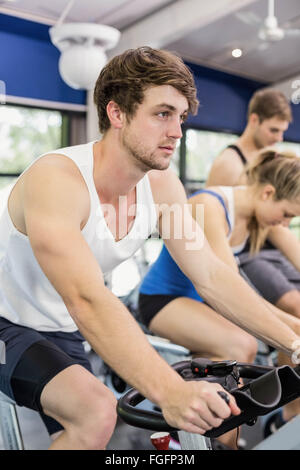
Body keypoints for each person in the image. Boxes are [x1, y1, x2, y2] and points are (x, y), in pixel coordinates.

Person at [0, 47, 298, 451]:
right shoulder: (58, 181)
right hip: (7, 318)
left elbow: (210, 274)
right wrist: (171, 392)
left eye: (180, 117)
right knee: (98, 412)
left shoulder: (161, 188)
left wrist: (292, 341)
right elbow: (86, 298)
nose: (177, 131)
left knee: (97, 425)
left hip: (60, 325)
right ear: (117, 114)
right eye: (162, 114)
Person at [206, 89, 300, 320]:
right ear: (254, 120)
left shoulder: (273, 158)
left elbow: (281, 230)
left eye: (282, 131)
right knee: (295, 306)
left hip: (272, 249)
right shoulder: (229, 164)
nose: (279, 137)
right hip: (246, 255)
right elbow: (212, 234)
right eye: (273, 130)